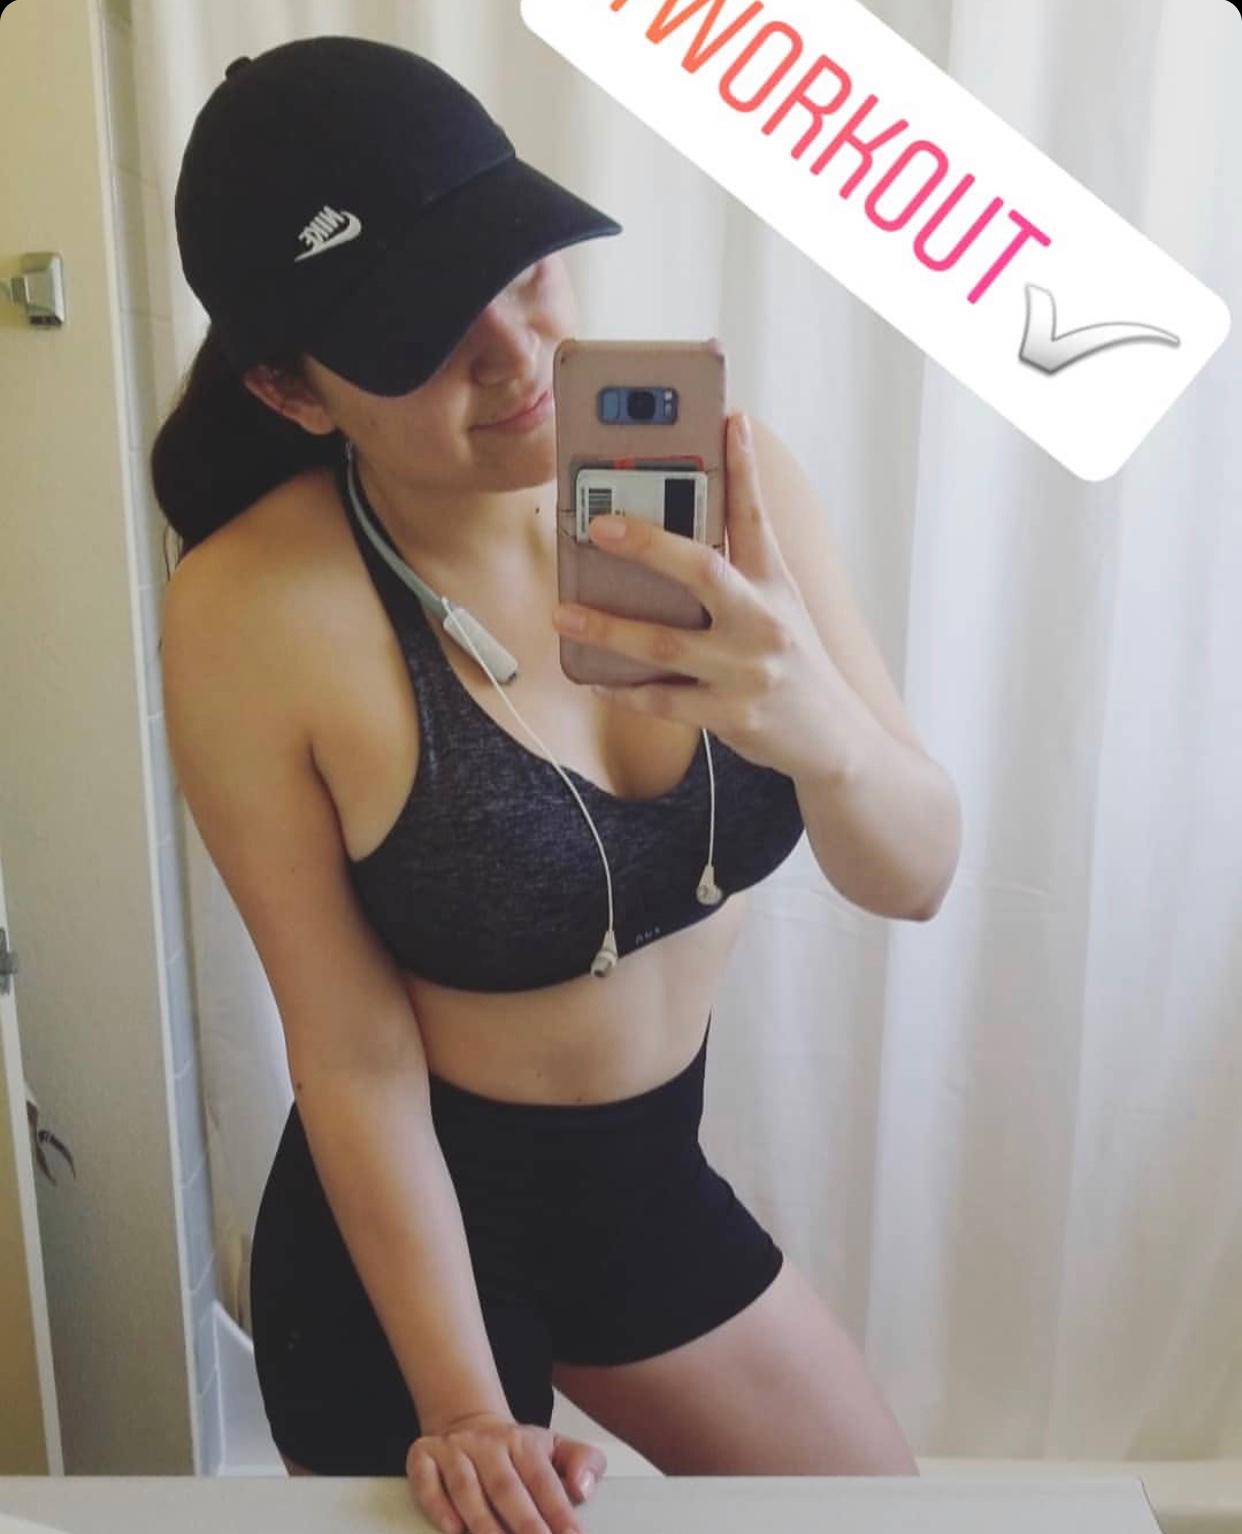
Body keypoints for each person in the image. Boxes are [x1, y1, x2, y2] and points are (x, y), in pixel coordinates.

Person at [155, 33, 921, 1534]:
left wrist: (818, 725)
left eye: (522, 272)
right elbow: (354, 1053)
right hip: (404, 1236)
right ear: (292, 391)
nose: (514, 359)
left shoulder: (724, 487)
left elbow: (919, 871)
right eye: (420, 330)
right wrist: (460, 1406)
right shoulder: (253, 609)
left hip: (640, 1187)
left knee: (892, 1520)